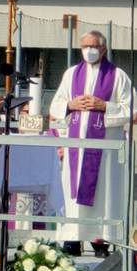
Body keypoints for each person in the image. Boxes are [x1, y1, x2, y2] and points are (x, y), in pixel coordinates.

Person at [49, 30, 131, 243]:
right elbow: (55, 106)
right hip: (75, 145)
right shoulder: (71, 74)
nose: (89, 50)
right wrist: (70, 104)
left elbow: (132, 110)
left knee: (103, 194)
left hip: (104, 151)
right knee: (72, 192)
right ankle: (72, 238)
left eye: (93, 46)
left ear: (103, 49)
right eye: (85, 46)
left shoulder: (118, 76)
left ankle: (101, 240)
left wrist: (105, 106)